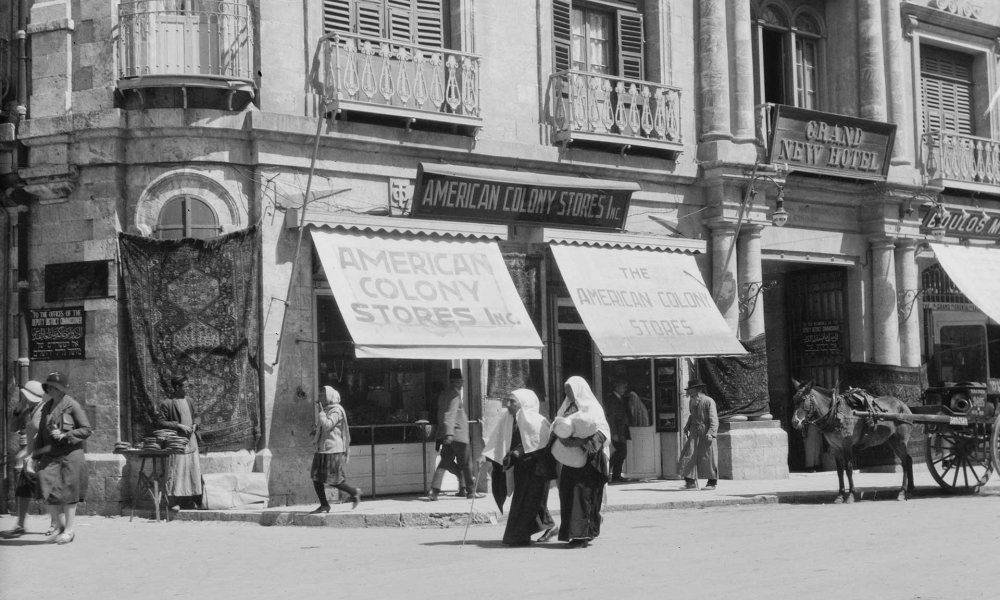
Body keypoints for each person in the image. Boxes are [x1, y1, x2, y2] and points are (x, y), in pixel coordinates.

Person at [481, 388, 557, 546]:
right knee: (529, 500)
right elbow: (498, 439)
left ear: (523, 403)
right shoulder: (508, 418)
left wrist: (518, 451)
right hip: (521, 468)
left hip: (536, 468)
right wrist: (488, 457)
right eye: (507, 401)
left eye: (512, 402)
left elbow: (539, 443)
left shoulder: (537, 421)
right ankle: (548, 526)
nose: (508, 405)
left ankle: (519, 536)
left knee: (528, 501)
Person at [33, 371, 92, 544]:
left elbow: (87, 429)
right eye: (48, 386)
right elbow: (41, 433)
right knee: (45, 486)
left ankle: (69, 530)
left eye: (52, 386)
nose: (49, 388)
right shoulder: (46, 406)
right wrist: (36, 455)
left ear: (60, 388)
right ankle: (59, 525)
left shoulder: (72, 405)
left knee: (68, 493)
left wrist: (66, 435)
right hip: (50, 455)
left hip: (70, 455)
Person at [554, 376, 610, 548]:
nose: (568, 394)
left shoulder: (593, 408)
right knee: (568, 493)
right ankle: (574, 533)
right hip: (571, 460)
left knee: (583, 495)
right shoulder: (567, 408)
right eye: (566, 391)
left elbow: (602, 432)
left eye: (570, 390)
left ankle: (581, 536)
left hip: (589, 461)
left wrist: (580, 443)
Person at [1, 381, 58, 538]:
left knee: (48, 491)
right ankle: (20, 525)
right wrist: (18, 410)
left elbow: (46, 437)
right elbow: (13, 427)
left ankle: (55, 524)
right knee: (23, 490)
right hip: (30, 458)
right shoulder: (29, 410)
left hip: (42, 457)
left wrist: (32, 453)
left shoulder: (45, 411)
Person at [428, 369, 482, 501]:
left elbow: (441, 414)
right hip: (457, 435)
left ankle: (434, 491)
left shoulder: (444, 394)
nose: (463, 383)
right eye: (461, 380)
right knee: (466, 464)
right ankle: (470, 491)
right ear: (456, 381)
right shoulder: (454, 394)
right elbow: (450, 414)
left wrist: (444, 433)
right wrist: (449, 433)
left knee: (444, 463)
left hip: (448, 435)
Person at [309, 386, 362, 512]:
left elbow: (327, 425)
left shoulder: (336, 411)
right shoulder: (327, 410)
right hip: (322, 449)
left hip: (332, 450)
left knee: (332, 479)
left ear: (329, 397)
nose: (320, 398)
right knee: (316, 478)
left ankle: (354, 492)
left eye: (322, 395)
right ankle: (324, 504)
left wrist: (321, 413)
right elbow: (324, 428)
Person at [155, 375, 203, 510]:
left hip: (191, 440)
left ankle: (190, 500)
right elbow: (160, 422)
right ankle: (174, 501)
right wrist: (179, 426)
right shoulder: (168, 403)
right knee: (178, 470)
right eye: (185, 386)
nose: (188, 388)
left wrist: (195, 425)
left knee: (192, 469)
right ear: (177, 387)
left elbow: (197, 416)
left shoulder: (190, 401)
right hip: (177, 442)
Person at [678, 378, 719, 490]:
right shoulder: (692, 401)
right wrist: (687, 426)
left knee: (708, 458)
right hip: (694, 432)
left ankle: (712, 482)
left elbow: (714, 419)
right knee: (688, 455)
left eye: (692, 390)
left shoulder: (708, 401)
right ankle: (690, 482)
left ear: (698, 390)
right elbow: (692, 416)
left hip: (706, 432)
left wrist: (711, 433)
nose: (689, 392)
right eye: (689, 390)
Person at [604, 380, 632, 483]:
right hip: (617, 431)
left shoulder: (621, 398)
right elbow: (611, 417)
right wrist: (614, 433)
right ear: (616, 387)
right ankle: (606, 473)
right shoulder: (612, 399)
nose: (625, 389)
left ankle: (616, 475)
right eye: (623, 386)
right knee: (620, 453)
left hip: (622, 430)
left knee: (622, 453)